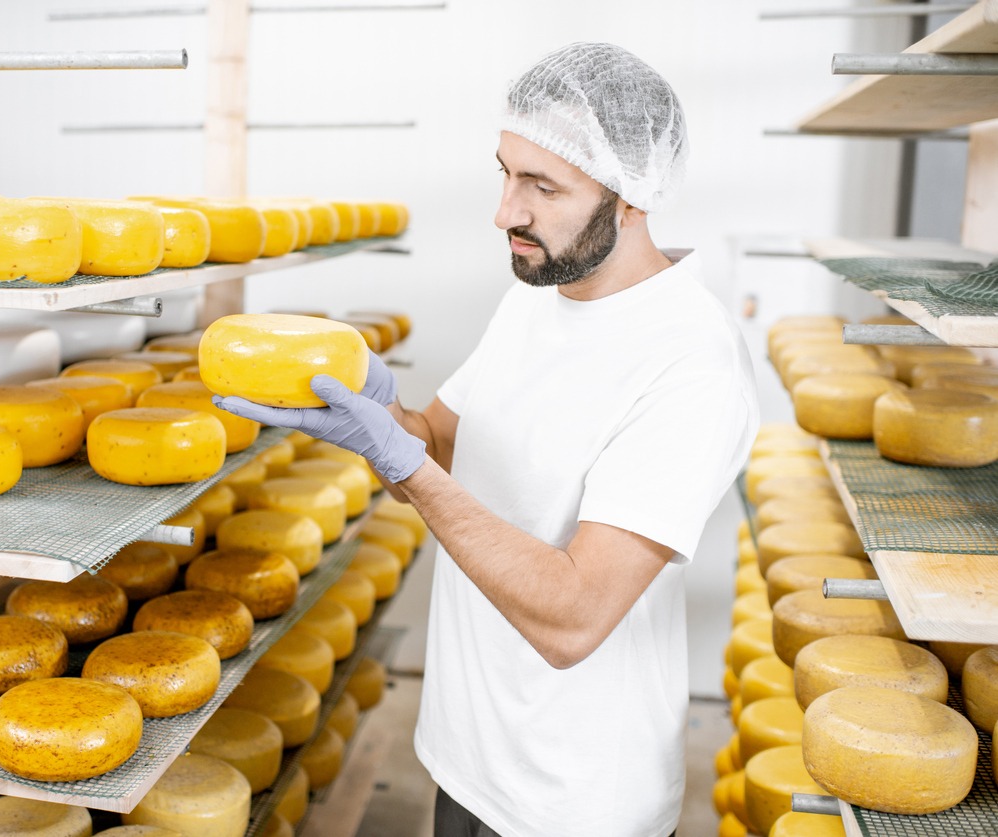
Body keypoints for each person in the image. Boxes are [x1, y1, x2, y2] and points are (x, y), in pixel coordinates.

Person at [218, 41, 758, 837]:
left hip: (575, 800)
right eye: (505, 173)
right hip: (468, 756)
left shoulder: (690, 361)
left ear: (632, 196)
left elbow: (574, 617)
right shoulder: (541, 292)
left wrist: (407, 463)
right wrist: (387, 420)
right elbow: (438, 447)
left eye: (543, 185)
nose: (506, 212)